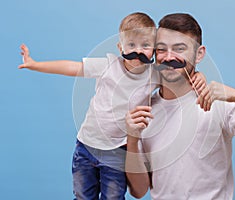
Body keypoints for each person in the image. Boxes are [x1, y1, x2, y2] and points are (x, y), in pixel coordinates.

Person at [19, 12, 206, 200]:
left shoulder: (154, 74)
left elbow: (179, 76)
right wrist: (35, 65)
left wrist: (199, 76)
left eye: (145, 46)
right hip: (87, 145)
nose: (138, 51)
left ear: (154, 50)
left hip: (118, 151)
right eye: (131, 45)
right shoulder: (108, 65)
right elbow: (73, 67)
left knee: (113, 197)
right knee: (82, 195)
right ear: (120, 47)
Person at [125, 13, 235, 200]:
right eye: (161, 49)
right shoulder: (144, 111)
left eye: (179, 48)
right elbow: (139, 191)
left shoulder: (218, 105)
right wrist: (132, 139)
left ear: (199, 54)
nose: (168, 57)